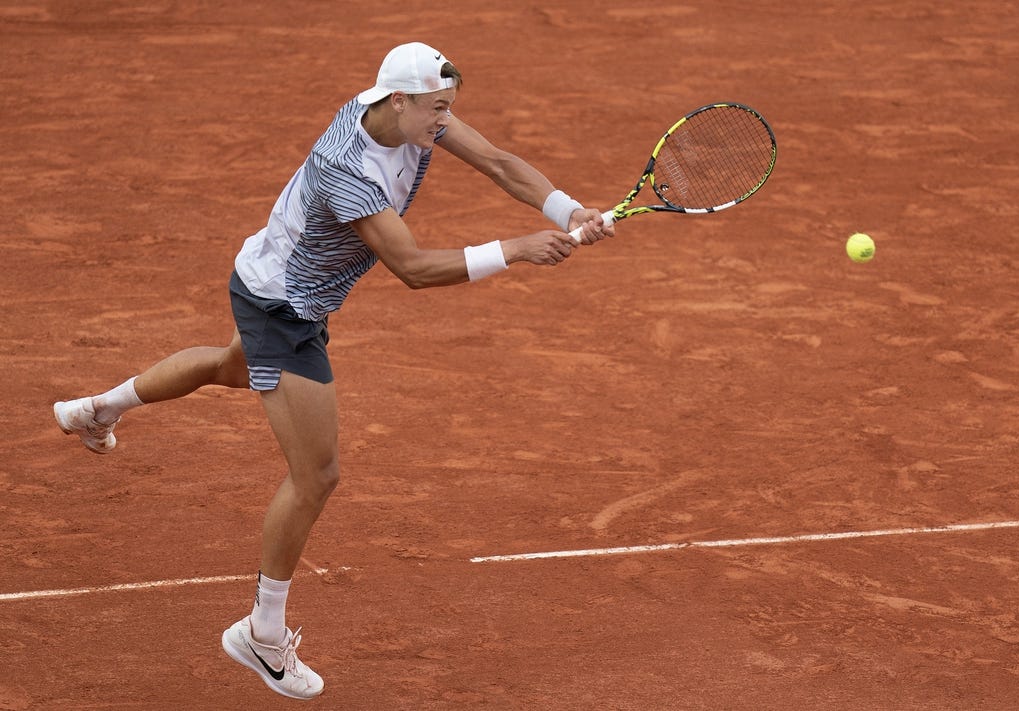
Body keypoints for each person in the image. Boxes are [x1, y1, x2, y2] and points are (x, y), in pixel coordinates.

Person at [52, 41, 613, 700]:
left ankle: (100, 407)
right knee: (317, 472)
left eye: (449, 109)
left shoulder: (401, 111)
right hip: (282, 307)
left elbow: (497, 160)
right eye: (437, 110)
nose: (445, 122)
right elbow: (411, 268)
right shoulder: (349, 168)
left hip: (273, 282)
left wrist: (564, 209)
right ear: (397, 100)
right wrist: (514, 249)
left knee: (232, 366)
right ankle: (260, 634)